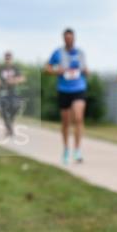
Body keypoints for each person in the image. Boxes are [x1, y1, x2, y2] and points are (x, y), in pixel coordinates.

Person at [46, 28, 89, 164]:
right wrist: (56, 70)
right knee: (66, 122)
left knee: (78, 118)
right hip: (64, 90)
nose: (69, 40)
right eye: (66, 38)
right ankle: (66, 149)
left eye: (71, 38)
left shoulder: (80, 53)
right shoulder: (58, 53)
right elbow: (47, 68)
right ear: (63, 39)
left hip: (79, 88)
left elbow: (85, 70)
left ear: (74, 38)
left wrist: (86, 71)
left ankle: (77, 150)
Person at [0, 52, 25, 138]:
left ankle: (10, 123)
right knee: (2, 110)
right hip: (3, 91)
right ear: (5, 59)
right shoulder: (1, 68)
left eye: (9, 58)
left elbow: (22, 78)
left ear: (12, 59)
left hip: (13, 92)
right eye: (6, 58)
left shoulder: (15, 68)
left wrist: (14, 80)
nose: (8, 60)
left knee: (15, 107)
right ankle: (8, 128)